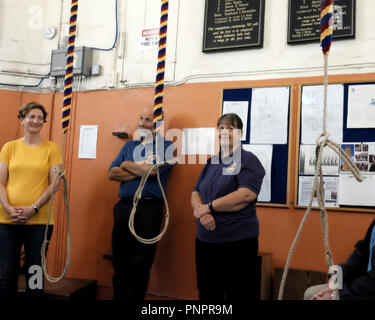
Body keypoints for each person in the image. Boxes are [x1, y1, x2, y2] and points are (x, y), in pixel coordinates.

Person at [191, 113, 265, 301]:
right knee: (207, 293)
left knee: (239, 293)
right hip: (205, 240)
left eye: (230, 129)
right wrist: (202, 212)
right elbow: (195, 192)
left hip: (236, 242)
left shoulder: (248, 160)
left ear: (240, 133)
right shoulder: (212, 161)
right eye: (221, 128)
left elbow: (246, 194)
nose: (224, 132)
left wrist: (210, 207)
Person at [108, 105, 174, 301]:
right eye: (141, 118)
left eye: (147, 120)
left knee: (141, 261)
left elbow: (153, 171)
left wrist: (127, 165)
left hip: (149, 209)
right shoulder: (129, 146)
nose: (142, 123)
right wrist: (140, 169)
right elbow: (111, 173)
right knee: (119, 260)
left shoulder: (167, 147)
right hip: (124, 207)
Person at [0, 102, 62, 300]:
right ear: (22, 119)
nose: (35, 120)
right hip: (7, 220)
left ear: (44, 122)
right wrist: (8, 208)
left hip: (39, 222)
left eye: (39, 117)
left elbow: (55, 184)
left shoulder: (52, 149)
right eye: (31, 116)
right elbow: (0, 183)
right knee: (7, 271)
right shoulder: (9, 148)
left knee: (34, 272)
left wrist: (33, 209)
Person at [304, 218, 375, 300]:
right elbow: (360, 255)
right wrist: (335, 282)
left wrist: (335, 296)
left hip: (368, 289)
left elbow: (372, 284)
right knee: (310, 293)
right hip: (363, 285)